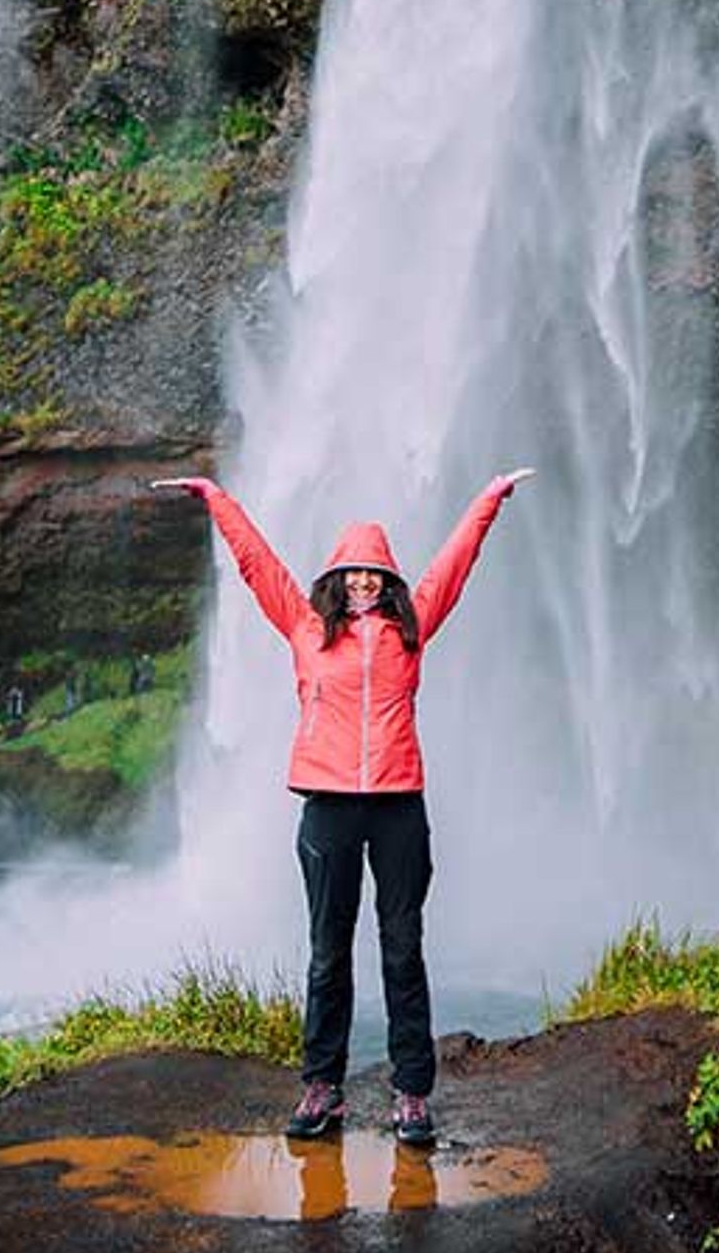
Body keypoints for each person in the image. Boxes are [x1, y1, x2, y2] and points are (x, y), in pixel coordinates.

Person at [154, 466, 531, 1150]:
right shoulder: (305, 626)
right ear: (337, 577)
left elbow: (455, 561)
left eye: (374, 574)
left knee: (402, 947)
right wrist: (216, 498)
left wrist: (490, 498)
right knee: (328, 953)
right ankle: (321, 1086)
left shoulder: (410, 628)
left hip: (396, 806)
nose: (363, 583)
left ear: (387, 580)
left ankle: (411, 1094)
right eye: (353, 573)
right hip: (327, 804)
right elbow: (257, 564)